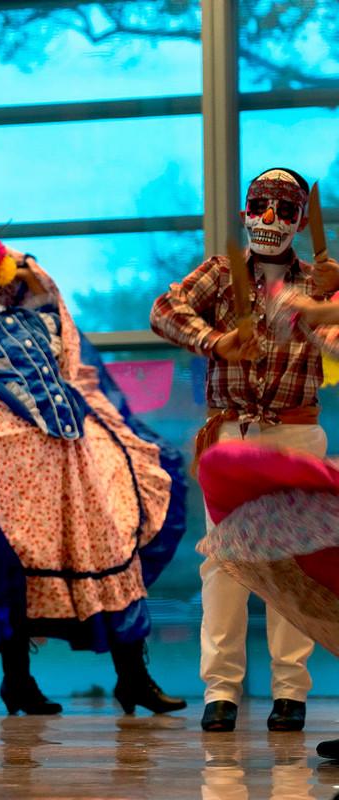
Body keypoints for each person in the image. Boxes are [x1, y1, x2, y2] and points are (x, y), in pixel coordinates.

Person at [0, 228, 187, 717]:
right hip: (19, 472)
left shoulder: (36, 321)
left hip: (76, 461)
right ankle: (18, 683)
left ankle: (134, 679)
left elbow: (48, 294)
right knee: (15, 562)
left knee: (110, 547)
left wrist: (13, 258)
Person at [150, 166, 339, 733]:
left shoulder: (317, 282)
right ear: (244, 211)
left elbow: (333, 339)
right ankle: (221, 692)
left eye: (285, 211)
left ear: (302, 222)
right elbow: (165, 310)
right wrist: (215, 341)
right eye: (261, 206)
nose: (270, 220)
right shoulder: (218, 273)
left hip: (295, 434)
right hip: (233, 438)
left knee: (294, 561)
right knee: (225, 565)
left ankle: (290, 693)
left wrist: (332, 297)